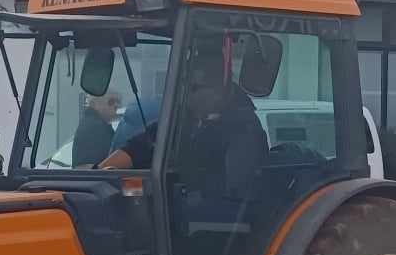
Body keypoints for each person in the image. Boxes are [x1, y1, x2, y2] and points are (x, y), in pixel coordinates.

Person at [100, 51, 267, 198]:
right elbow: (139, 148)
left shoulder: (243, 129)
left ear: (219, 89)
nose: (185, 94)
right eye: (182, 86)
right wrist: (99, 173)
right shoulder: (182, 122)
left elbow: (235, 191)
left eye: (193, 88)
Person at [73, 90, 121, 168]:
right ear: (96, 104)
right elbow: (85, 167)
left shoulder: (94, 123)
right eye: (111, 101)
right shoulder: (94, 127)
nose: (116, 105)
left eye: (118, 101)